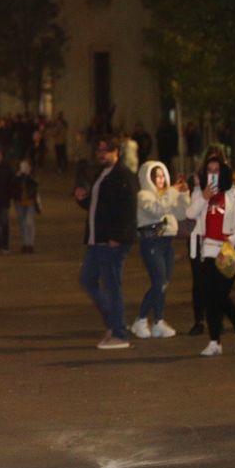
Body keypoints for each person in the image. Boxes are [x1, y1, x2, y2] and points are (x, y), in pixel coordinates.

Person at [74, 136, 139, 349]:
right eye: (99, 150)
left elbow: (128, 208)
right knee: (87, 279)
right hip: (96, 239)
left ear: (116, 152)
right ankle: (114, 322)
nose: (101, 154)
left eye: (105, 150)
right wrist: (83, 199)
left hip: (110, 241)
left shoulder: (122, 175)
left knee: (112, 285)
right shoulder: (102, 174)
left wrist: (118, 236)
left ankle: (119, 332)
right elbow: (97, 205)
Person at [186, 155, 235, 356]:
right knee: (209, 297)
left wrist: (232, 239)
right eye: (210, 170)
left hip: (227, 251)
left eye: (216, 170)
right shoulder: (200, 192)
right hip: (207, 250)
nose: (213, 174)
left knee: (221, 295)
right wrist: (204, 196)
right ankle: (215, 342)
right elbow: (190, 214)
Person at [130, 160, 190, 339]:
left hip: (167, 243)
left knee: (163, 283)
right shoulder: (144, 196)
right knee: (158, 282)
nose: (161, 179)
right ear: (148, 177)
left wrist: (183, 194)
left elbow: (181, 213)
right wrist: (172, 192)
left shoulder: (167, 195)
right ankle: (140, 319)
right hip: (152, 243)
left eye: (163, 175)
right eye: (156, 176)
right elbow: (158, 210)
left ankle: (158, 321)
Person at [13, 159, 40, 253]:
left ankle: (30, 244)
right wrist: (18, 177)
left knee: (29, 223)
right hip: (19, 203)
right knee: (22, 224)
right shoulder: (17, 176)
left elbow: (36, 184)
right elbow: (12, 187)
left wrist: (28, 175)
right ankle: (25, 244)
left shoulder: (32, 176)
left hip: (30, 202)